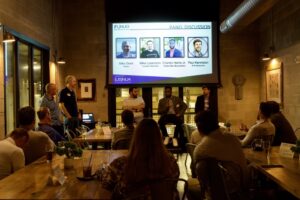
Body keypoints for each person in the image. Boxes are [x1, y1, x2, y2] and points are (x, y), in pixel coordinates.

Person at [102, 118, 179, 199]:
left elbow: (107, 184)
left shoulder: (120, 164)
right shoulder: (171, 162)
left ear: (135, 138)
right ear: (159, 137)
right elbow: (174, 181)